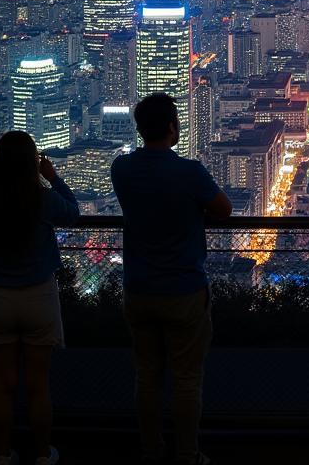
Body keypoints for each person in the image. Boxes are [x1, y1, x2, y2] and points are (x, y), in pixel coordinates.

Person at [111, 93, 232, 465]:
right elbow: (224, 210)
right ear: (172, 127)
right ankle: (187, 453)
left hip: (139, 288)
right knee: (186, 378)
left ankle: (150, 450)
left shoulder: (122, 169)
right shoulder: (189, 172)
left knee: (146, 376)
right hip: (183, 288)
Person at [0, 130, 80, 465]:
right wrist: (53, 178)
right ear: (32, 163)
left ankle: (3, 454)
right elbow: (73, 214)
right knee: (38, 384)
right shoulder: (42, 198)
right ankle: (42, 454)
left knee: (3, 385)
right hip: (38, 295)